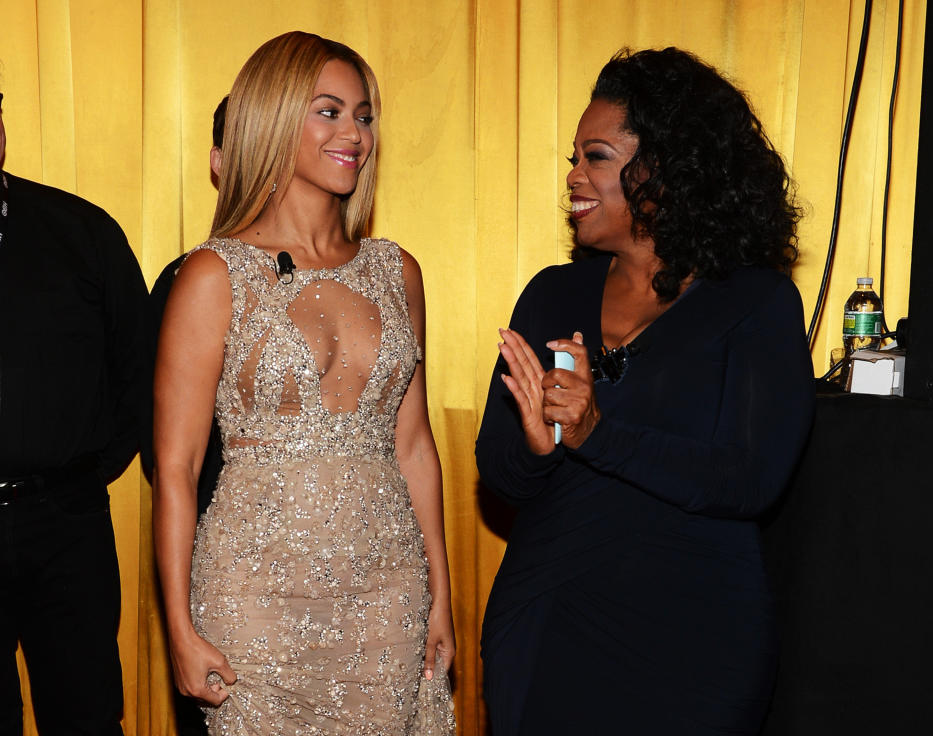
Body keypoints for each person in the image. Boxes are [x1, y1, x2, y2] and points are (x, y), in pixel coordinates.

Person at [476, 48, 815, 735]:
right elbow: (502, 476)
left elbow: (750, 479)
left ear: (663, 168)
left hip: (692, 648)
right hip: (546, 629)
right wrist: (541, 449)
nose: (573, 176)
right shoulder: (552, 295)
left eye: (595, 156)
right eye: (574, 156)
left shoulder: (755, 304)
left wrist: (601, 434)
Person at [153, 32, 456, 736]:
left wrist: (440, 592)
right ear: (276, 117)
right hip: (253, 598)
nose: (354, 133)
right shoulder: (213, 276)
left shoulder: (396, 271)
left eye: (363, 115)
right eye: (329, 111)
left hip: (387, 591)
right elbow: (176, 467)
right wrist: (177, 624)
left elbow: (414, 447)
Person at [0, 90, 152, 734]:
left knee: (86, 714)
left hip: (65, 522)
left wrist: (81, 473)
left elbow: (140, 372)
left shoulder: (83, 233)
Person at [147, 93, 229, 736]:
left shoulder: (366, 271)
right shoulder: (187, 281)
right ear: (219, 162)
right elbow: (166, 458)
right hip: (223, 567)